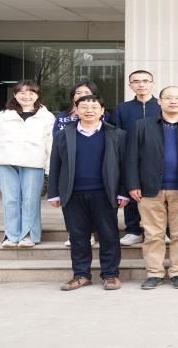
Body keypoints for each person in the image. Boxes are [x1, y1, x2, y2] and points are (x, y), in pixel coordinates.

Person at [125, 86, 178, 290]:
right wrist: (133, 184)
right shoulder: (142, 125)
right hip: (149, 189)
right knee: (153, 234)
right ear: (159, 101)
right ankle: (154, 273)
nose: (173, 101)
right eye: (168, 97)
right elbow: (131, 157)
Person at [48, 95, 129, 291]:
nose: (89, 110)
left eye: (94, 107)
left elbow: (124, 166)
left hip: (105, 194)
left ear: (102, 111)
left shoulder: (116, 134)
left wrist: (123, 192)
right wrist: (54, 193)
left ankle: (110, 275)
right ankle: (81, 275)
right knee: (78, 237)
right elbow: (55, 164)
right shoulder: (64, 135)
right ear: (76, 110)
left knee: (109, 235)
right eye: (83, 107)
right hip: (73, 194)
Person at [0, 81, 55, 248]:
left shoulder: (47, 117)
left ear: (37, 95)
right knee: (10, 199)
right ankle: (11, 235)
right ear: (14, 95)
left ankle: (28, 235)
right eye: (21, 92)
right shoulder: (2, 116)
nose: (26, 96)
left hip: (34, 163)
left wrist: (50, 166)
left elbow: (51, 143)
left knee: (30, 200)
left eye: (31, 92)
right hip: (5, 162)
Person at [112, 70, 162, 247]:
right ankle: (133, 230)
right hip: (130, 155)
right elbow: (117, 132)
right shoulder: (122, 108)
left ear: (152, 83)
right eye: (136, 81)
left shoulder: (161, 105)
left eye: (145, 81)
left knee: (159, 195)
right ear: (130, 85)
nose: (141, 84)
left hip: (158, 156)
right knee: (132, 192)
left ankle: (161, 230)